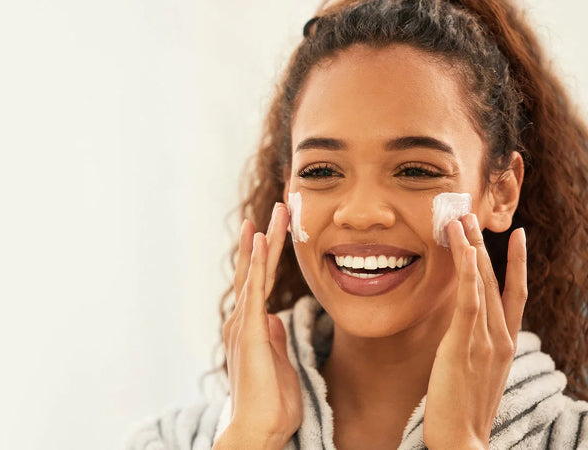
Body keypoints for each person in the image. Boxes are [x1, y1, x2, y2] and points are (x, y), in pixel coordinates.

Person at [125, 0, 588, 448]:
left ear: (501, 192)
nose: (361, 213)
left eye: (415, 170)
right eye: (322, 171)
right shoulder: (171, 442)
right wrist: (249, 440)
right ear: (286, 187)